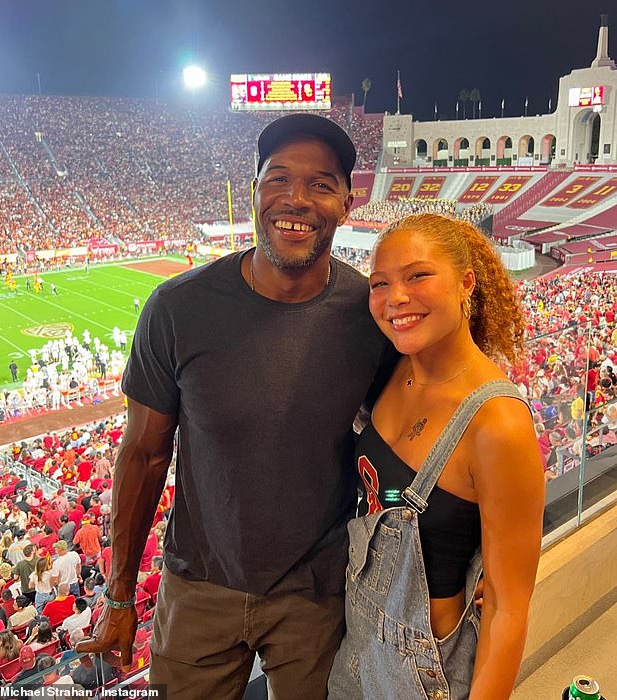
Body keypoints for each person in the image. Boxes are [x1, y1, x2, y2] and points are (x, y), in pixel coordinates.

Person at [77, 114, 393, 699]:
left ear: (347, 204)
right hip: (199, 587)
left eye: (321, 184)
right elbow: (143, 455)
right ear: (254, 192)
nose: (295, 199)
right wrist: (120, 594)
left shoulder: (369, 315)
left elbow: (413, 435)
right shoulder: (177, 308)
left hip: (316, 593)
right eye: (278, 179)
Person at [328, 214, 545, 699]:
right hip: (355, 649)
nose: (395, 298)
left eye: (418, 275)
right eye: (379, 283)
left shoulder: (497, 423)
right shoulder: (389, 370)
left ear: (467, 282)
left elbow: (508, 608)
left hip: (426, 676)